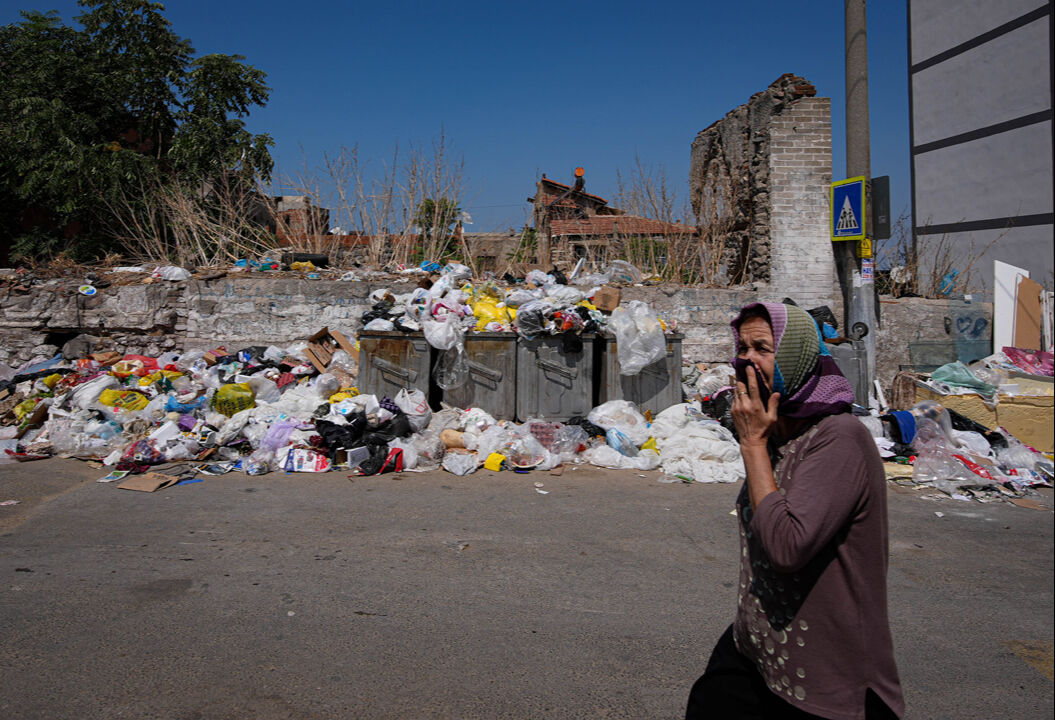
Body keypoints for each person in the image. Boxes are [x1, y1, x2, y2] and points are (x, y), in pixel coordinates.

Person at [685, 302, 904, 720]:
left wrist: (751, 446)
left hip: (826, 676)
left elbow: (787, 547)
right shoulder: (777, 428)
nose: (746, 358)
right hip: (757, 649)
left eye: (762, 348)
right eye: (743, 347)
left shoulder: (840, 438)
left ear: (795, 357)